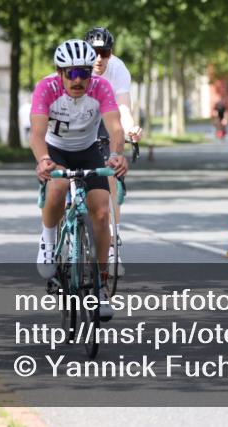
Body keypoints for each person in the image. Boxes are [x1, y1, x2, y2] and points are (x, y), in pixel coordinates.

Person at [30, 39, 128, 321]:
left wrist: (116, 155)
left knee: (101, 212)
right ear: (59, 72)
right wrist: (43, 159)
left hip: (88, 151)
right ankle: (48, 240)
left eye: (84, 73)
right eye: (71, 73)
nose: (78, 80)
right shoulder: (46, 88)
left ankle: (100, 288)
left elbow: (115, 128)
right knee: (58, 186)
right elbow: (36, 134)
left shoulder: (100, 87)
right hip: (56, 150)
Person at [84, 27, 141, 277]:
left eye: (105, 52)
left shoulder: (117, 69)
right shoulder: (76, 68)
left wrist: (131, 129)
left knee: (110, 178)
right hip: (79, 122)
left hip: (106, 121)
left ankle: (111, 243)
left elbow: (123, 108)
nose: (99, 58)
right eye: (94, 52)